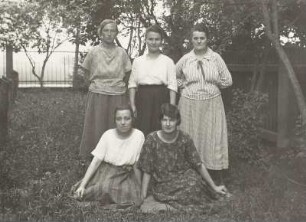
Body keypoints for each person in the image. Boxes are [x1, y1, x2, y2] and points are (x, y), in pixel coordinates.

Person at [137, 103, 229, 213]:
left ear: (177, 121)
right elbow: (147, 169)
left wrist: (214, 187)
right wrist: (143, 194)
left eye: (171, 120)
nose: (167, 124)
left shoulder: (185, 138)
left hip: (184, 177)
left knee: (194, 183)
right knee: (186, 192)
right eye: (164, 120)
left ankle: (196, 196)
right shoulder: (152, 139)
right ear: (160, 121)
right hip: (163, 183)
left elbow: (198, 164)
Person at [176, 23, 232, 185]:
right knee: (190, 136)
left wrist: (212, 85)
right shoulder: (186, 59)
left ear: (207, 39)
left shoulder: (215, 58)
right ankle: (190, 172)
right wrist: (184, 85)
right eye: (196, 38)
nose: (199, 41)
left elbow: (228, 80)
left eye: (202, 38)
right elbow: (173, 76)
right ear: (191, 40)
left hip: (212, 104)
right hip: (189, 104)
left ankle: (214, 174)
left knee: (212, 136)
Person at [71, 106, 145, 208]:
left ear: (132, 119)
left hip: (126, 174)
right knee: (103, 188)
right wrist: (82, 185)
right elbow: (95, 162)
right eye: (119, 119)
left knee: (131, 195)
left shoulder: (139, 135)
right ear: (114, 120)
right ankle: (96, 195)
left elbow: (136, 164)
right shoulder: (108, 135)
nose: (123, 122)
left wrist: (139, 187)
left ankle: (106, 199)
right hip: (106, 171)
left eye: (127, 118)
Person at [79, 19, 132, 159]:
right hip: (98, 94)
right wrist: (94, 86)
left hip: (117, 94)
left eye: (112, 31)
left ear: (116, 33)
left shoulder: (121, 52)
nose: (109, 34)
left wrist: (117, 85)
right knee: (97, 126)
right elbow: (85, 71)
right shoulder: (94, 52)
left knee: (116, 125)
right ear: (101, 33)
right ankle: (95, 157)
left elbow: (127, 73)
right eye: (106, 30)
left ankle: (116, 157)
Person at [128, 25, 177, 136]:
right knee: (142, 128)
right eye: (150, 39)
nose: (153, 42)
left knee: (160, 128)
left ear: (161, 41)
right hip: (143, 97)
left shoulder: (168, 61)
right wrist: (132, 104)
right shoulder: (138, 61)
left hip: (161, 97)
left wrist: (171, 108)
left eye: (157, 39)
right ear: (146, 40)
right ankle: (142, 152)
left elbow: (173, 85)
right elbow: (132, 84)